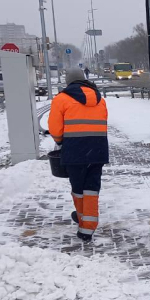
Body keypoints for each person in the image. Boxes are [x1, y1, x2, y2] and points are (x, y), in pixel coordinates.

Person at [48, 68, 109, 242]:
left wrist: (60, 141)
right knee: (91, 188)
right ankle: (86, 223)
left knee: (78, 188)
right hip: (97, 150)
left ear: (68, 82)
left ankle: (85, 225)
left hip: (75, 150)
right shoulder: (100, 99)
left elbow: (54, 127)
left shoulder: (61, 99)